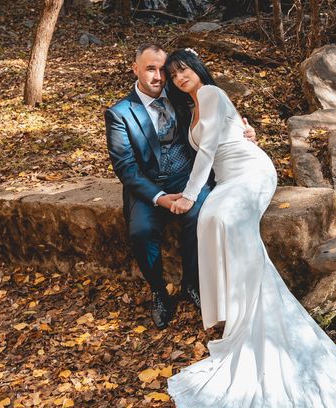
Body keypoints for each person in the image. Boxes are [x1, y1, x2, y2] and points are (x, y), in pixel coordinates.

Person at [164, 48, 336, 408]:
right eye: (173, 74)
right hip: (229, 176)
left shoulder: (211, 93)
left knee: (217, 218)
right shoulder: (195, 107)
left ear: (198, 69)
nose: (179, 77)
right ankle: (231, 311)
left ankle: (251, 313)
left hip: (250, 172)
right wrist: (244, 131)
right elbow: (221, 138)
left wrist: (188, 196)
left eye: (183, 69)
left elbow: (207, 153)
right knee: (210, 221)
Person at [104, 44, 256, 329]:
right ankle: (159, 292)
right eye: (150, 69)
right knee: (141, 231)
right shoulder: (120, 113)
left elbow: (216, 119)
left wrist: (243, 130)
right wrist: (159, 198)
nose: (159, 76)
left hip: (188, 178)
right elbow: (126, 168)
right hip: (148, 186)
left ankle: (191, 284)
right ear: (135, 68)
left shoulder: (181, 96)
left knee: (201, 217)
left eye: (163, 69)